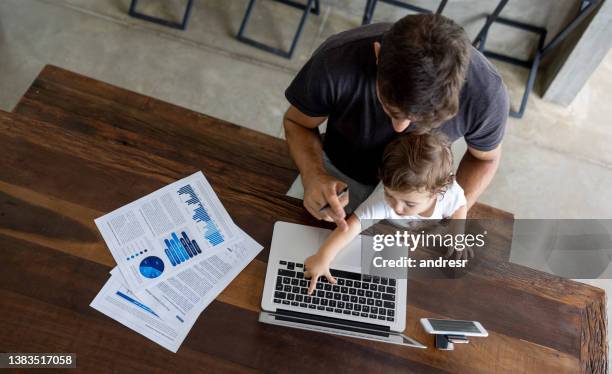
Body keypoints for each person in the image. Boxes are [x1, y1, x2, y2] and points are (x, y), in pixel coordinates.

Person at [283, 14, 508, 232]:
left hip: (417, 194)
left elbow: (485, 160)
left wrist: (452, 214)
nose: (399, 128)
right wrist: (313, 175)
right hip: (337, 172)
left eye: (422, 119)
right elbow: (297, 122)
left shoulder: (486, 94)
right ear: (378, 55)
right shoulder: (336, 60)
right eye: (390, 109)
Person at [304, 132, 466, 293]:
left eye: (409, 203)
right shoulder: (383, 198)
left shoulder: (450, 195)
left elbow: (460, 206)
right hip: (387, 232)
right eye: (390, 195)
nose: (397, 208)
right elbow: (352, 225)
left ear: (436, 193)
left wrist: (457, 235)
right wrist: (323, 257)